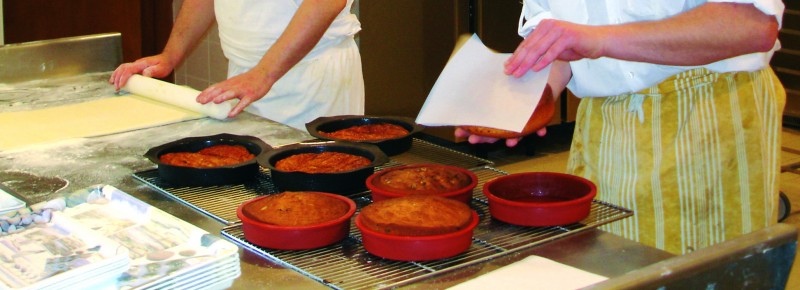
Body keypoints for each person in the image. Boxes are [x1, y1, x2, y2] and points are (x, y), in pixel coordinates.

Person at [457, 1, 786, 255]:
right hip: (608, 126)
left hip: (708, 121)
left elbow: (751, 24)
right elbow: (561, 45)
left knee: (698, 271)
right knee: (609, 262)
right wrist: (525, 102)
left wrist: (598, 40)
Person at [109, 0, 364, 130]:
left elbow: (325, 2)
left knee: (311, 192)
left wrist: (264, 74)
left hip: (309, 79)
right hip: (245, 77)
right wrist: (170, 55)